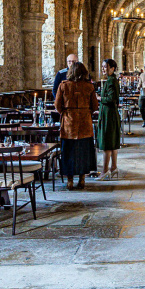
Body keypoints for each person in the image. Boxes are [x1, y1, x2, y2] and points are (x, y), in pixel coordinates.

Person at [54, 61, 98, 190]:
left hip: (69, 123)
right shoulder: (89, 87)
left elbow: (57, 105)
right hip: (85, 122)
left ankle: (70, 180)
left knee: (68, 151)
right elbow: (94, 106)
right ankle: (82, 179)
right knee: (83, 151)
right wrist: (85, 112)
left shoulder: (64, 85)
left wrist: (65, 113)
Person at [97, 58, 120, 180]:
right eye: (102, 66)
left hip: (108, 114)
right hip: (111, 114)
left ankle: (105, 170)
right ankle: (114, 167)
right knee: (112, 142)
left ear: (112, 68)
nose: (103, 69)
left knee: (106, 142)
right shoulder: (111, 80)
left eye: (105, 66)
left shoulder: (111, 81)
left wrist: (99, 98)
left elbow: (111, 99)